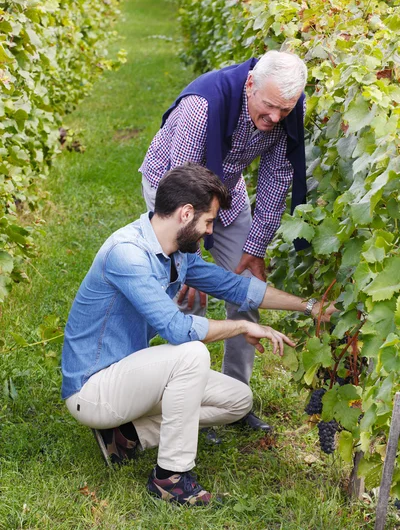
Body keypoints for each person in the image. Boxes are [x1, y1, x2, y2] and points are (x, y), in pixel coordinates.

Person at [62, 163, 335, 506]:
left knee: (238, 400)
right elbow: (177, 329)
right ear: (186, 213)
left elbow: (235, 287)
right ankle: (170, 479)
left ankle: (126, 435)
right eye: (208, 222)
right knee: (191, 353)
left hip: (128, 379)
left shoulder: (178, 255)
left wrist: (312, 307)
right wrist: (242, 325)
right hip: (93, 390)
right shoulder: (128, 254)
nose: (209, 232)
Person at [139, 50, 308, 431]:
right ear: (250, 84)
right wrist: (190, 260)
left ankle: (233, 400)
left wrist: (255, 248)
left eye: (285, 109)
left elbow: (277, 176)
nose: (276, 118)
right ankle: (188, 405)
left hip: (226, 187)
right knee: (189, 301)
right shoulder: (202, 107)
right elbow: (182, 189)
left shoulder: (284, 106)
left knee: (245, 289)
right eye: (268, 107)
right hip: (172, 189)